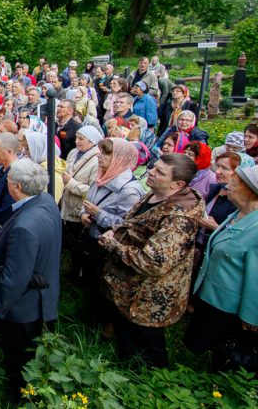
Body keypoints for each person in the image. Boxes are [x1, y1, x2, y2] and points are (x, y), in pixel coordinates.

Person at [99, 153, 204, 367]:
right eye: (154, 167)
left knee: (146, 343)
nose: (151, 172)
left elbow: (153, 263)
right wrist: (116, 231)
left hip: (150, 295)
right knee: (128, 335)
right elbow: (134, 223)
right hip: (129, 287)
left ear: (178, 184)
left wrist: (113, 245)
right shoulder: (155, 194)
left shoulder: (179, 218)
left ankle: (149, 382)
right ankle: (128, 366)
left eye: (159, 172)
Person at [0, 159, 61, 402]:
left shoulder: (24, 227)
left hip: (24, 308)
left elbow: (14, 277)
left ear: (16, 186)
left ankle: (20, 399)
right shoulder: (46, 201)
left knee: (19, 359)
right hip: (43, 293)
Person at [185, 165, 258, 372]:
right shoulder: (237, 214)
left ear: (249, 191)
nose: (228, 186)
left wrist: (251, 316)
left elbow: (256, 279)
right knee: (203, 344)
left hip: (230, 307)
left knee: (226, 352)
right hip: (212, 297)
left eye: (234, 184)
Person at [78, 139, 145, 288]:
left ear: (119, 159)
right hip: (92, 235)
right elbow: (89, 202)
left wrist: (98, 214)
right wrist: (84, 214)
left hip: (106, 243)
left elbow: (127, 224)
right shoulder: (101, 176)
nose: (98, 156)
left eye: (105, 154)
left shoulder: (129, 190)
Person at [60, 126, 102, 275]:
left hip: (79, 208)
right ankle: (71, 268)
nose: (76, 141)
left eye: (81, 139)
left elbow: (92, 189)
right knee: (69, 239)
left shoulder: (96, 160)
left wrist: (71, 184)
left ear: (92, 141)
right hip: (67, 203)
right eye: (76, 138)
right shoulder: (73, 153)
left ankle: (79, 273)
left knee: (78, 243)